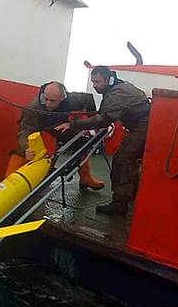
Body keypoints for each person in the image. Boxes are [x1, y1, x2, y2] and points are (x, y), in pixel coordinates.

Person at [55, 66, 150, 214]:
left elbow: (103, 119)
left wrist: (73, 124)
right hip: (143, 126)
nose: (94, 86)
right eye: (93, 82)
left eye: (97, 82)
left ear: (107, 79)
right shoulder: (119, 86)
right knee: (132, 161)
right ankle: (131, 196)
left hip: (143, 127)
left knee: (121, 160)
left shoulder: (116, 94)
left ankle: (120, 204)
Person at [9, 81, 104, 190]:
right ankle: (9, 185)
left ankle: (86, 179)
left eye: (53, 101)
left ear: (63, 97)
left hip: (60, 125)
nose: (48, 104)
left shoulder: (73, 99)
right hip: (38, 124)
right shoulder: (34, 108)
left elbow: (88, 99)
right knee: (26, 151)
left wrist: (93, 122)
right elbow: (26, 130)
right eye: (46, 99)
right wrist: (26, 148)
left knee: (82, 143)